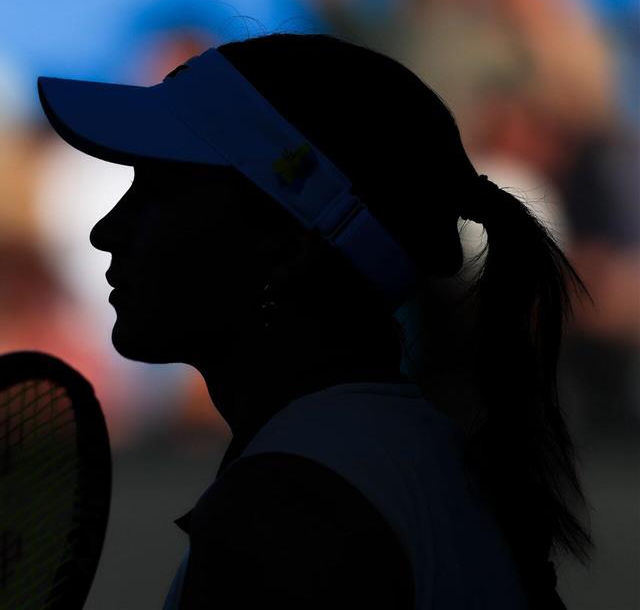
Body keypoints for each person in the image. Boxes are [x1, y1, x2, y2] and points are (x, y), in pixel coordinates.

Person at [36, 33, 592, 609]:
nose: (108, 229)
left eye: (159, 191)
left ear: (287, 245)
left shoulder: (285, 506)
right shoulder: (385, 454)